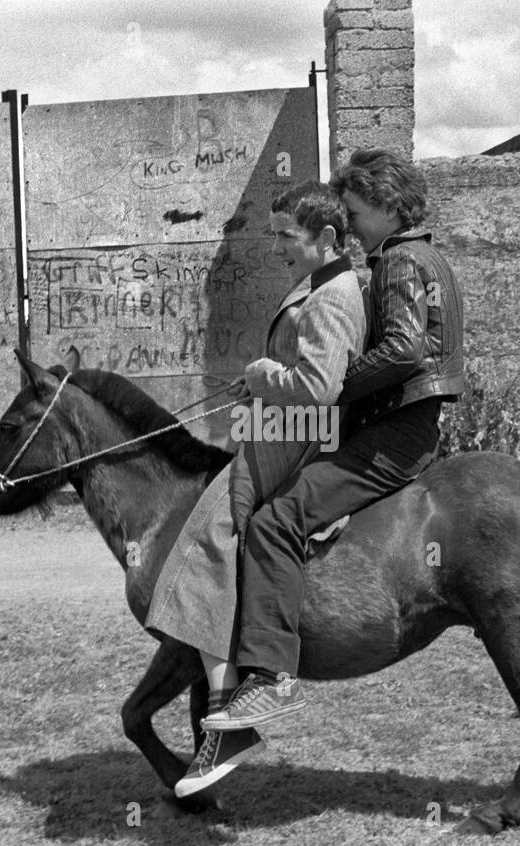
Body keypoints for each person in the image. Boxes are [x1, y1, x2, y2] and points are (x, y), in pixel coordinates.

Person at [201, 147, 466, 734]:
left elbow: (405, 349)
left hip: (396, 433)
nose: (348, 223)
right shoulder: (425, 257)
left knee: (275, 521)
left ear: (387, 205)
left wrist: (330, 386)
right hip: (405, 426)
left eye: (354, 208)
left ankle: (271, 678)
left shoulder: (396, 262)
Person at [145, 181, 367, 797]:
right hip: (276, 427)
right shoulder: (325, 283)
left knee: (203, 551)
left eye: (286, 236)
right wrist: (264, 387)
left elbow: (318, 388)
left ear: (326, 237)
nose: (278, 248)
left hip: (292, 441)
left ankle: (231, 723)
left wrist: (259, 373)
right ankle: (225, 710)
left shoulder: (331, 297)